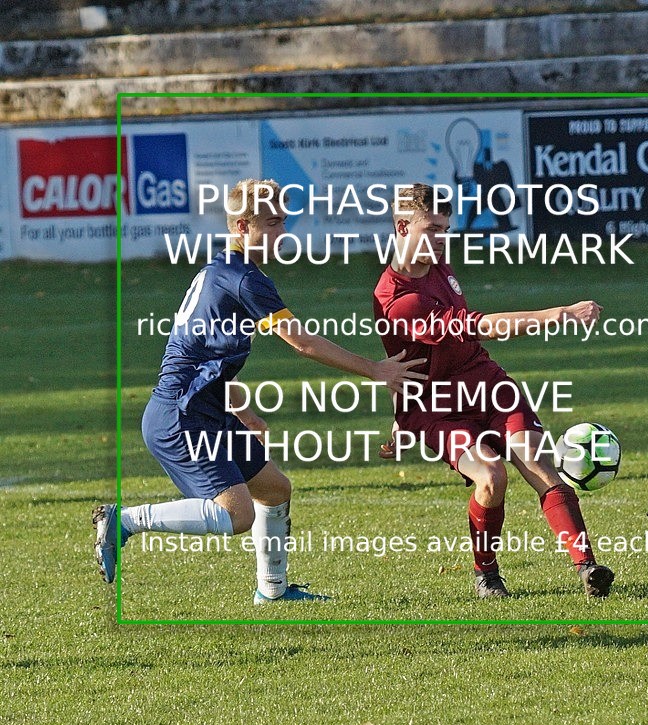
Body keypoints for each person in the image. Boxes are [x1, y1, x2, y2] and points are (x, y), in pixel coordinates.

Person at [94, 178, 425, 603]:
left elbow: (206, 355)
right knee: (238, 515)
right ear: (241, 226)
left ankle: (273, 591)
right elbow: (303, 343)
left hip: (205, 408)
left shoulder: (221, 270)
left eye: (283, 221)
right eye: (271, 223)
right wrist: (374, 369)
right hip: (182, 415)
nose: (281, 231)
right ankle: (124, 520)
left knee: (274, 489)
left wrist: (242, 412)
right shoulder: (245, 280)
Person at [372, 183, 614, 599]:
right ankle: (486, 574)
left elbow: (408, 357)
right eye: (430, 229)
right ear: (401, 227)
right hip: (437, 407)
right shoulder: (398, 299)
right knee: (491, 476)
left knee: (540, 467)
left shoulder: (436, 261)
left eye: (444, 230)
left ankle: (587, 568)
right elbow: (479, 326)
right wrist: (558, 313)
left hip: (485, 380)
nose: (439, 240)